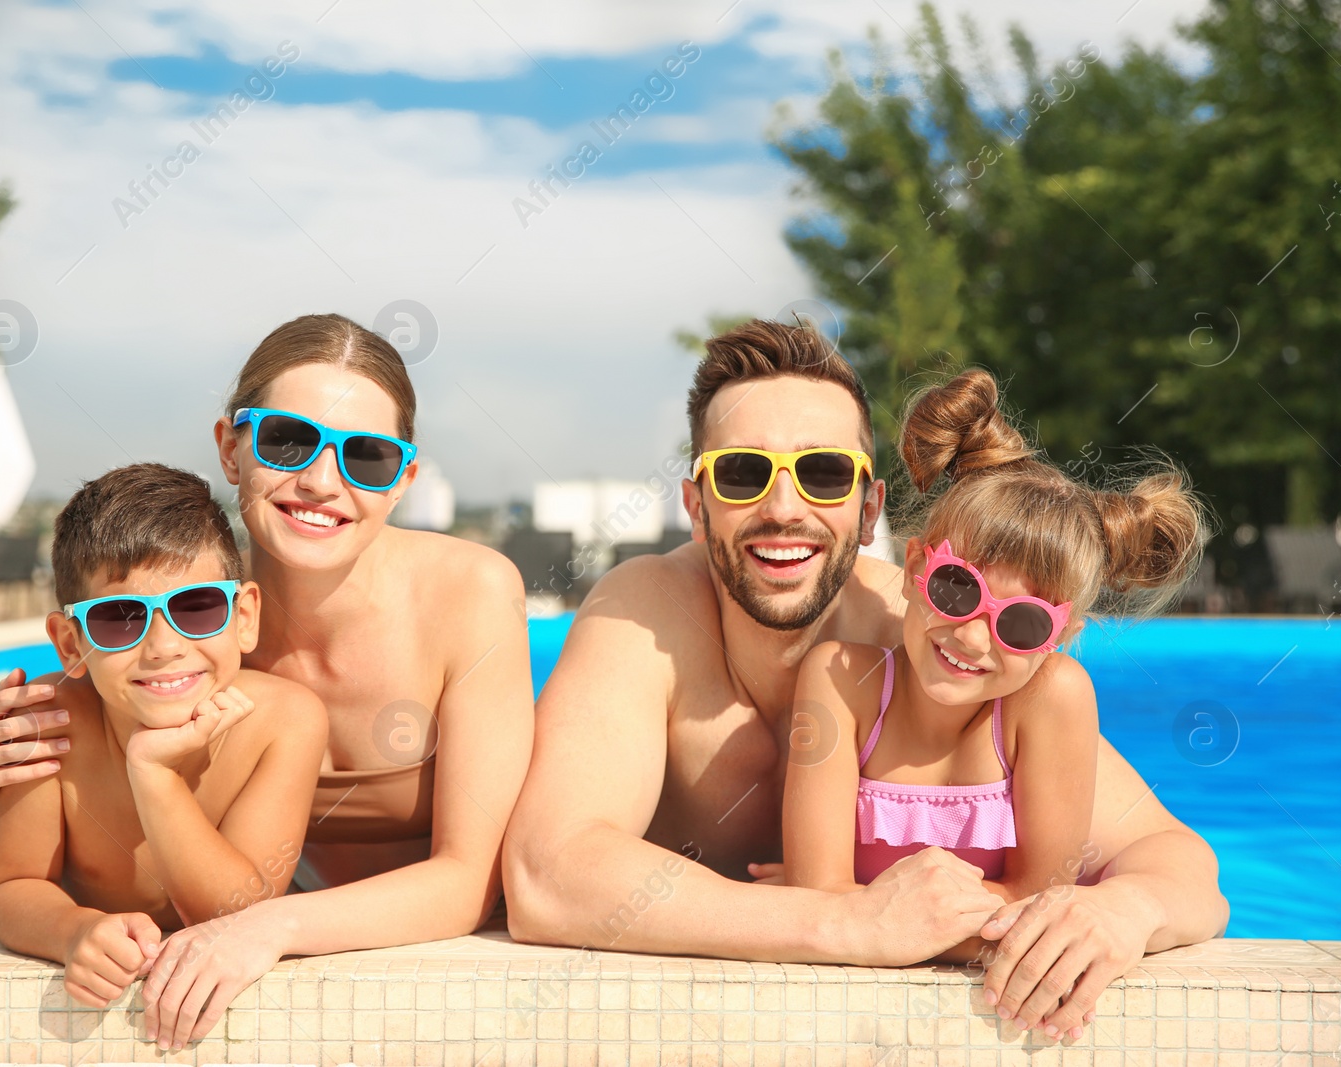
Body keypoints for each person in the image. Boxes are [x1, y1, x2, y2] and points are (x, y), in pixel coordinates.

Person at [504, 319, 1229, 1044]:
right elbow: (545, 876)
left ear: (869, 507)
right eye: (742, 472)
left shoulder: (938, 630)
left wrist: (1121, 911)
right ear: (697, 507)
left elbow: (1182, 865)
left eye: (822, 473)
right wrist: (846, 920)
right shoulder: (648, 615)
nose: (783, 508)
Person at [0, 314, 534, 1050]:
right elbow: (87, 849)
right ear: (232, 448)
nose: (322, 480)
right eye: (287, 440)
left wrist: (269, 926)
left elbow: (468, 877)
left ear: (403, 481)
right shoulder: (195, 621)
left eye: (367, 456)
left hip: (401, 950)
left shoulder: (470, 594)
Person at [782, 370, 1207, 985]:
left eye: (1024, 623)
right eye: (958, 589)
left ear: (1059, 639)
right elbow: (816, 896)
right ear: (915, 568)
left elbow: (1042, 911)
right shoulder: (843, 682)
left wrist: (875, 915)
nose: (974, 637)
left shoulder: (1051, 699)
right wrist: (842, 906)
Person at [0, 463, 329, 1009]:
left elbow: (235, 917)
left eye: (197, 607)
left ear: (243, 616)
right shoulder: (51, 723)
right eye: (120, 618)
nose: (164, 646)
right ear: (71, 644)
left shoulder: (284, 722)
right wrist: (72, 932)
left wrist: (154, 772)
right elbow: (9, 888)